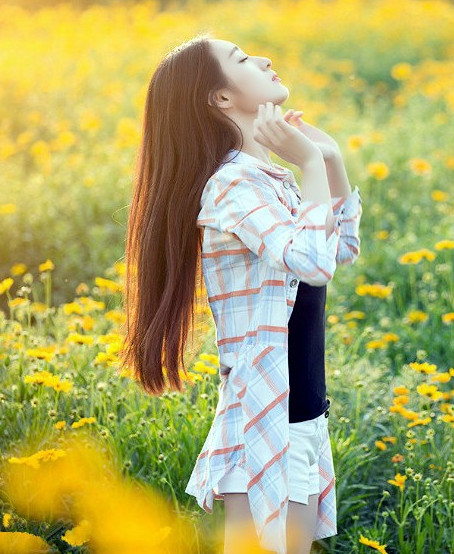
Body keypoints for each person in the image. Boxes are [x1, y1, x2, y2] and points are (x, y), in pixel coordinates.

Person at [119, 33, 363, 554]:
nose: (265, 59)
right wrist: (312, 167)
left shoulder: (266, 178)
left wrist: (330, 158)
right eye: (242, 58)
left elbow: (341, 248)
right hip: (265, 417)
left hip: (298, 410)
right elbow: (314, 264)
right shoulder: (232, 186)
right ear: (221, 98)